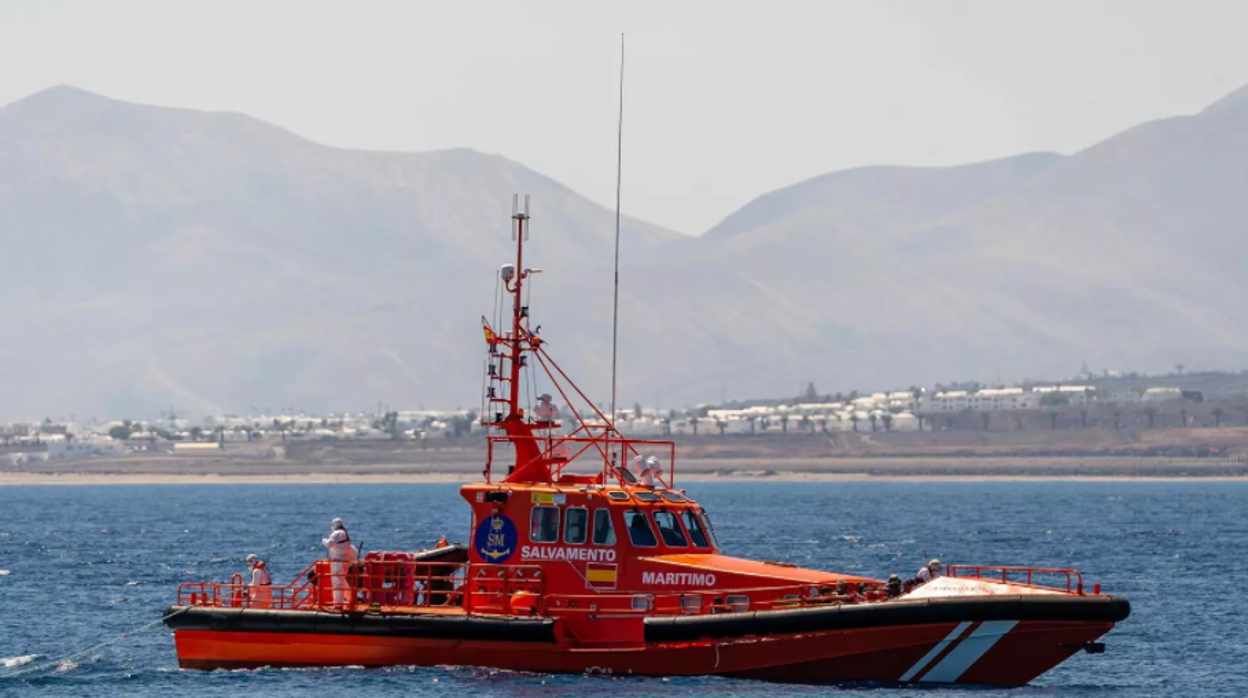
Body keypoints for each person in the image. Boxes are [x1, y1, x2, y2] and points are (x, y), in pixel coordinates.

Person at [322, 517, 359, 606]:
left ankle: (338, 604)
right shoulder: (345, 534)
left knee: (337, 583)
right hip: (345, 561)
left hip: (338, 562)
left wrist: (324, 540)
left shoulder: (337, 533)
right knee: (342, 581)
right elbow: (353, 550)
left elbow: (328, 544)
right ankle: (351, 598)